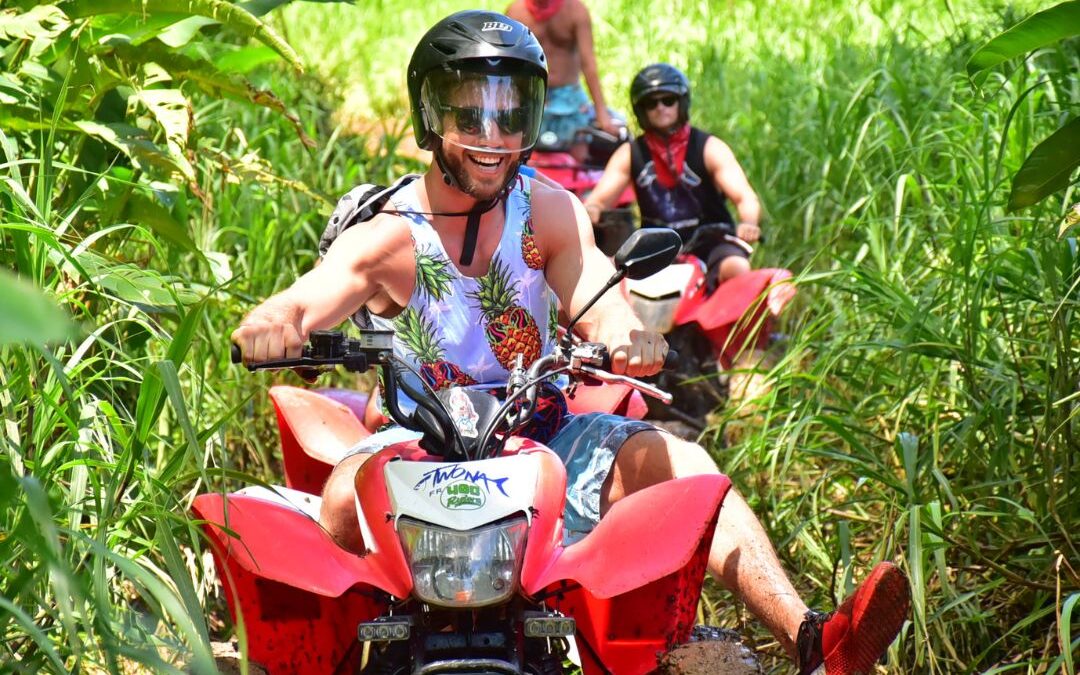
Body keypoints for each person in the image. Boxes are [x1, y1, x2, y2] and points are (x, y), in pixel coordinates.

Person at [230, 11, 909, 674]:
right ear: (430, 117)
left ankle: (812, 640)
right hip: (414, 440)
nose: (493, 135)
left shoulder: (547, 208)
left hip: (541, 429)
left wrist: (628, 336)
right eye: (470, 115)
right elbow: (314, 290)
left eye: (513, 113)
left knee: (686, 465)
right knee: (343, 496)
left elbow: (596, 297)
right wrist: (273, 319)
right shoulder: (391, 232)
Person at [585, 63, 785, 303]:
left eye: (668, 100)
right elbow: (598, 199)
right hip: (656, 246)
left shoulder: (709, 147)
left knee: (737, 268)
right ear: (641, 109)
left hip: (711, 240)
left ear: (681, 102)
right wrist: (592, 210)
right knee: (607, 279)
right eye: (651, 103)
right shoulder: (630, 153)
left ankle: (742, 338)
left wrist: (749, 223)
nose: (660, 108)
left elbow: (745, 197)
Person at [505, 0, 621, 152]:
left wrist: (602, 112)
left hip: (569, 97)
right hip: (531, 94)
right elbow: (507, 61)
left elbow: (588, 62)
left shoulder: (576, 10)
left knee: (580, 153)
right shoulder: (515, 11)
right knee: (523, 154)